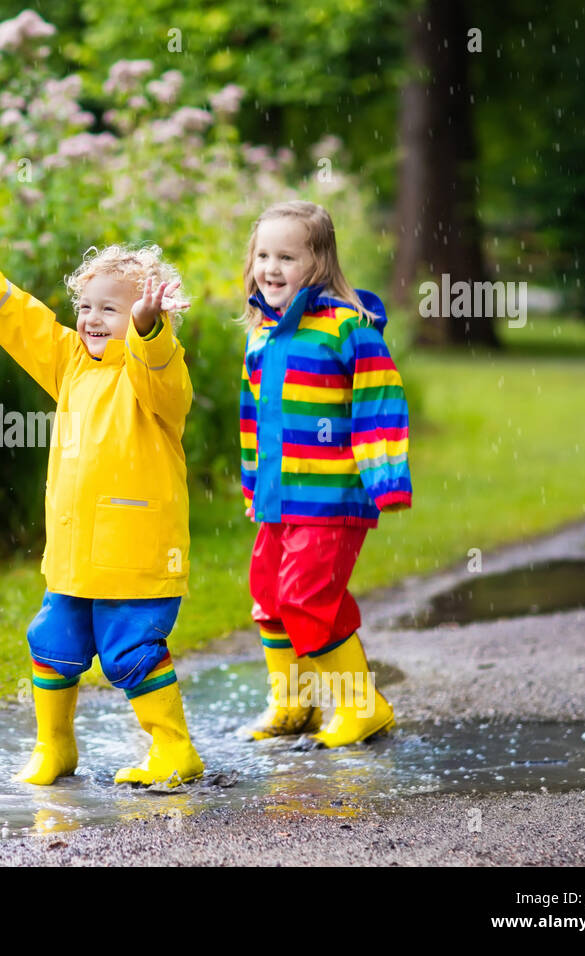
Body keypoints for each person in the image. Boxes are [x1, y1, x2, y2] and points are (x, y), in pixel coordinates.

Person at [0, 223, 204, 787]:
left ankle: (174, 749)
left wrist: (149, 330)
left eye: (111, 310)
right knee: (53, 642)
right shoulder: (71, 362)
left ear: (144, 317)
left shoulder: (155, 379)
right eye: (86, 306)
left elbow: (162, 369)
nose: (92, 319)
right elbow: (25, 324)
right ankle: (55, 746)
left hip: (137, 559)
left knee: (132, 651)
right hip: (72, 556)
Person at [238, 200, 412, 748]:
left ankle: (363, 708)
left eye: (286, 256)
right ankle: (294, 705)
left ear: (318, 263)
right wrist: (253, 486)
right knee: (268, 595)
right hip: (278, 496)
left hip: (332, 498)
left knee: (307, 598)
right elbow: (253, 421)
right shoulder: (261, 335)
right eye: (263, 254)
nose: (271, 267)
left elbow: (380, 403)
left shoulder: (348, 330)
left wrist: (386, 481)